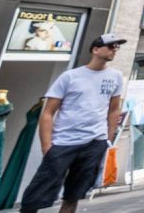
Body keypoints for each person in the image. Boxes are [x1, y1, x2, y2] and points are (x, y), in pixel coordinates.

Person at [19, 34, 125, 213]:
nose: (114, 49)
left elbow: (114, 109)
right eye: (110, 46)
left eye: (116, 46)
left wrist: (107, 139)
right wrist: (47, 147)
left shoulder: (115, 76)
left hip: (94, 143)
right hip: (64, 142)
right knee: (36, 195)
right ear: (95, 49)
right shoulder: (70, 77)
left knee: (74, 194)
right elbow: (47, 113)